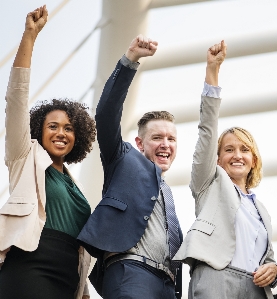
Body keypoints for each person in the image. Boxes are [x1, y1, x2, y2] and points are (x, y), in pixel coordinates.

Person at [0, 6, 96, 299]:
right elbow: (16, 98)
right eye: (52, 126)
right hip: (30, 264)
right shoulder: (24, 158)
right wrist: (30, 36)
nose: (60, 133)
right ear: (38, 131)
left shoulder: (74, 186)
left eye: (68, 128)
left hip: (68, 274)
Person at [77, 34, 183, 299]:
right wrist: (130, 60)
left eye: (171, 139)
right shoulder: (122, 158)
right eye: (157, 137)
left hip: (167, 285)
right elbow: (106, 115)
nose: (165, 144)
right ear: (139, 143)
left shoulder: (166, 192)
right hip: (131, 272)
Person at [173, 41, 277, 299]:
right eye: (229, 149)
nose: (237, 155)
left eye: (244, 150)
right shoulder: (209, 183)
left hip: (255, 288)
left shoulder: (260, 209)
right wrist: (213, 71)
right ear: (218, 159)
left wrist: (273, 270)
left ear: (253, 160)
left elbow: (268, 258)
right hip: (217, 277)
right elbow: (208, 131)